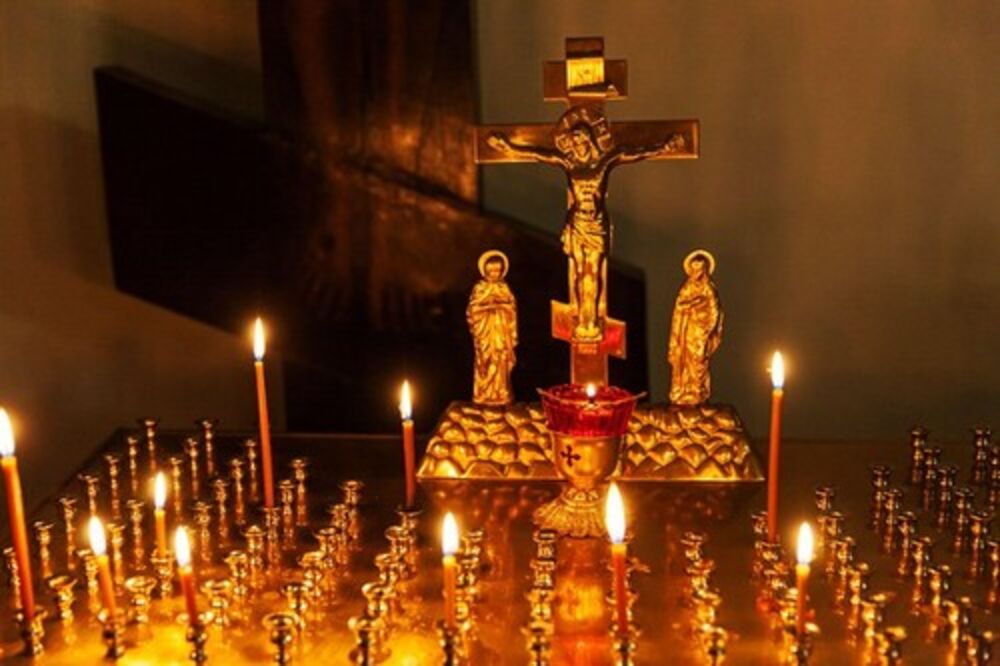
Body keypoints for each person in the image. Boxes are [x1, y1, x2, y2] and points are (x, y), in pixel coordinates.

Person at [668, 250, 723, 405]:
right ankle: (682, 390)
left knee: (698, 360)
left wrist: (707, 330)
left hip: (700, 332)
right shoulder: (687, 287)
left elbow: (715, 311)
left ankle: (698, 391)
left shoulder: (708, 289)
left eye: (699, 270)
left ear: (704, 270)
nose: (696, 273)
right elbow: (679, 306)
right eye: (694, 269)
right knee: (683, 359)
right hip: (686, 330)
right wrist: (687, 307)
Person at [467, 250, 518, 405]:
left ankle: (501, 391)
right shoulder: (480, 288)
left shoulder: (504, 288)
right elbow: (472, 310)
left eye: (498, 271)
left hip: (501, 331)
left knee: (501, 357)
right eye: (491, 271)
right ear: (485, 271)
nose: (495, 274)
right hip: (485, 331)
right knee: (485, 359)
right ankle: (484, 392)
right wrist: (489, 306)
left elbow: (511, 308)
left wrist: (501, 306)